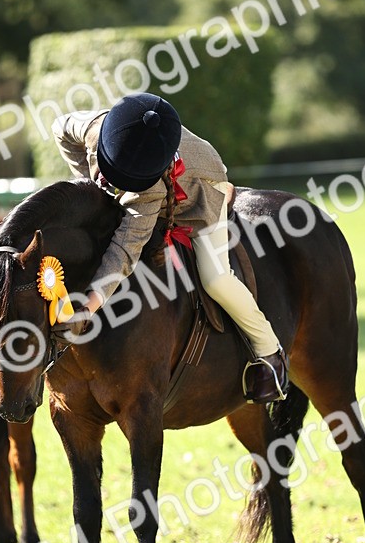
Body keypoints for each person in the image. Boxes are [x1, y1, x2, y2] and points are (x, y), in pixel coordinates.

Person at [52, 92, 289, 403]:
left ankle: (270, 353)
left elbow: (124, 253)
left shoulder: (148, 193)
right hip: (154, 158)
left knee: (216, 278)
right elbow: (60, 128)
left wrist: (87, 309)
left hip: (203, 184)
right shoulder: (93, 127)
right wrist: (87, 181)